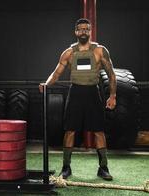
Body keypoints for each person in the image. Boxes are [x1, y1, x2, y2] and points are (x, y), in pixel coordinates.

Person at [39, 18, 116, 181]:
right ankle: (66, 167)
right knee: (70, 130)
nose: (83, 32)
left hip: (93, 93)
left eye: (86, 29)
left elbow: (111, 74)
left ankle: (103, 168)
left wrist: (113, 95)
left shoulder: (100, 51)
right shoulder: (69, 52)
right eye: (80, 29)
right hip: (75, 93)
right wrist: (45, 84)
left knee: (99, 130)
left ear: (90, 31)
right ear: (76, 32)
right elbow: (56, 73)